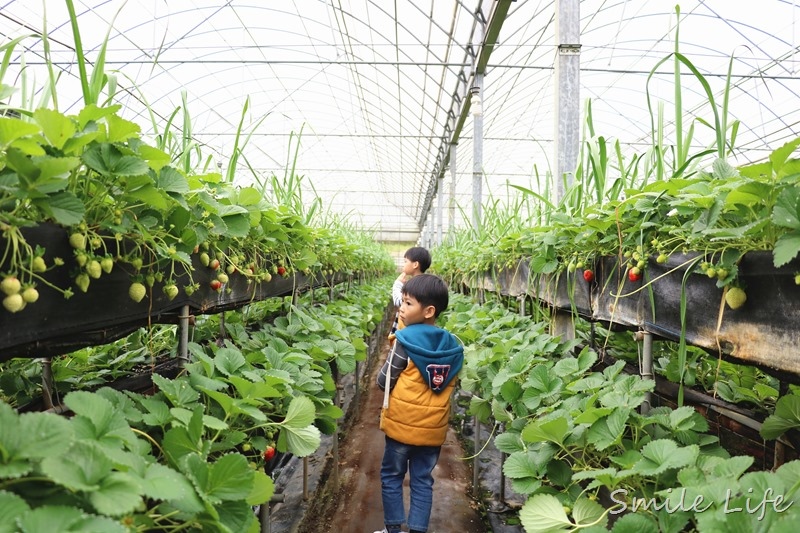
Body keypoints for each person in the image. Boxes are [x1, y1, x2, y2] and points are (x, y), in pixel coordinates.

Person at [374, 274, 464, 533]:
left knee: (392, 477)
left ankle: (393, 531)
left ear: (429, 311)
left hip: (401, 427)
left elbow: (383, 381)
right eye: (402, 301)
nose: (401, 307)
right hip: (432, 431)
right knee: (422, 481)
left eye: (408, 303)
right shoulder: (452, 346)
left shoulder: (406, 342)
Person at [389, 246, 431, 338]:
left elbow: (398, 301)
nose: (403, 264)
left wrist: (397, 284)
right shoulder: (424, 282)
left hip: (407, 331)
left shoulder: (416, 284)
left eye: (405, 261)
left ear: (415, 264)